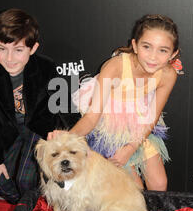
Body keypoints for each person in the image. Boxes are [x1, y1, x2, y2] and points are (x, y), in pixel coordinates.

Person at [48, 14, 181, 191]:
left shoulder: (168, 74)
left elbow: (151, 118)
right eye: (147, 47)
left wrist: (130, 148)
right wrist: (66, 140)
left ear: (174, 54)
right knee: (134, 190)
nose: (153, 57)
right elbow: (91, 118)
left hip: (140, 123)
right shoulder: (115, 67)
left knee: (159, 184)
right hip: (107, 126)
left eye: (163, 50)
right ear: (134, 45)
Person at [0, 8, 68, 204]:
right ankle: (31, 209)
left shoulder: (46, 67)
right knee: (0, 182)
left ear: (33, 48)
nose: (9, 58)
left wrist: (72, 135)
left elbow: (64, 104)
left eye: (18, 50)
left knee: (25, 181)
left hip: (39, 128)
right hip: (10, 132)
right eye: (2, 49)